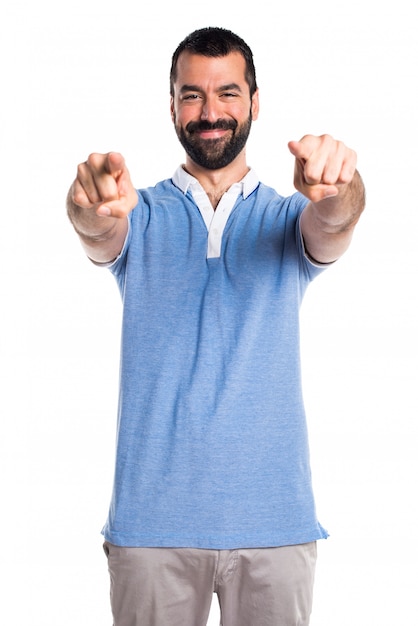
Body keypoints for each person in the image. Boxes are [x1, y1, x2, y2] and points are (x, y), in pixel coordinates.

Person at [67, 26, 365, 626]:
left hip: (275, 526)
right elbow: (99, 230)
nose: (210, 113)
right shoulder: (141, 213)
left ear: (255, 103)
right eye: (192, 95)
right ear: (172, 105)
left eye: (227, 94)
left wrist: (340, 188)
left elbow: (334, 221)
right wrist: (88, 207)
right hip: (151, 527)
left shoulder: (288, 217)